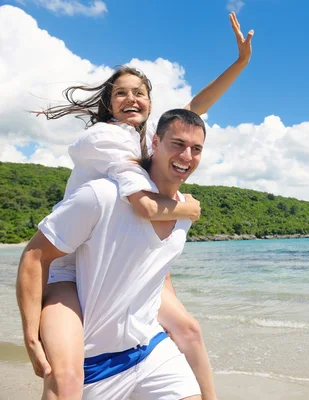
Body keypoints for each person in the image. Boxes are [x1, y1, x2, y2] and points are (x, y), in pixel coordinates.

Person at [24, 12, 253, 400]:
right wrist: (188, 209)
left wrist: (241, 63)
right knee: (65, 375)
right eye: (121, 93)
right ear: (110, 104)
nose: (131, 98)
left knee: (190, 331)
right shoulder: (108, 138)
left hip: (117, 257)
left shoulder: (153, 138)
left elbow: (197, 106)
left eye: (139, 92)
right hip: (69, 265)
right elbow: (145, 207)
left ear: (150, 103)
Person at [17, 109, 208, 399]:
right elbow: (35, 255)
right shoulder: (101, 196)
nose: (186, 156)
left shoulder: (184, 211)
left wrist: (178, 323)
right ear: (155, 143)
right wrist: (31, 335)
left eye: (196, 149)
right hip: (94, 362)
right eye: (178, 144)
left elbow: (158, 267)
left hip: (151, 349)